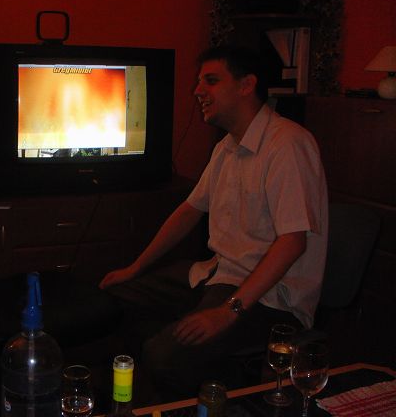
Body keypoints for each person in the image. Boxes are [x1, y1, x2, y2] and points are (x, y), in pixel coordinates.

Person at [99, 45, 328, 401]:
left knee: (164, 356)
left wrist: (227, 311)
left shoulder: (287, 144)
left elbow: (293, 241)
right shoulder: (227, 148)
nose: (197, 91)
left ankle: (226, 396)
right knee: (116, 299)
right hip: (217, 275)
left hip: (270, 300)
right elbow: (189, 210)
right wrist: (135, 268)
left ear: (246, 85)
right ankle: (174, 386)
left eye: (211, 80)